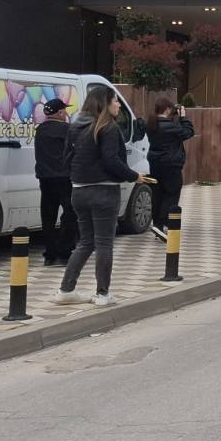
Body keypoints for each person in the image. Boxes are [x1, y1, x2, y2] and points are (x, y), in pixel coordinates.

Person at [55, 86, 144, 307]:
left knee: (86, 242)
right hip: (104, 191)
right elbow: (111, 161)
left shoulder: (75, 127)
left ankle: (66, 290)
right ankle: (103, 294)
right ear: (104, 104)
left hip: (79, 190)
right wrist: (134, 176)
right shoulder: (109, 128)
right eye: (115, 101)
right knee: (104, 243)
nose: (118, 105)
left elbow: (67, 159)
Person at [145, 98, 195, 241]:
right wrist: (183, 117)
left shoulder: (151, 125)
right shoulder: (170, 127)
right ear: (167, 110)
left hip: (154, 164)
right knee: (172, 193)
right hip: (171, 165)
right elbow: (189, 132)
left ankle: (157, 225)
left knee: (158, 194)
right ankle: (162, 224)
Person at [32, 97, 75, 266]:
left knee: (48, 217)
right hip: (65, 178)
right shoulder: (67, 129)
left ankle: (50, 255)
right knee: (70, 214)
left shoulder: (40, 130)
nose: (66, 113)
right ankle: (65, 252)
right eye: (65, 110)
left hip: (45, 179)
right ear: (60, 112)